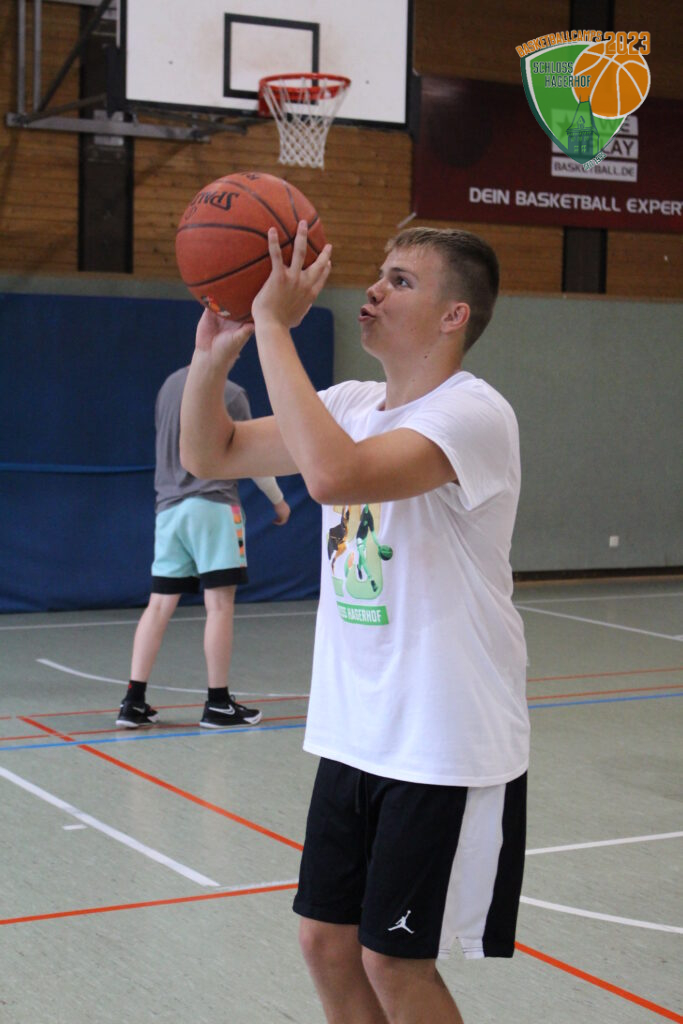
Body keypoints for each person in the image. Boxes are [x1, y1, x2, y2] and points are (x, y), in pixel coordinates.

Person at [179, 223, 530, 1024]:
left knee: (394, 962)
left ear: (454, 316)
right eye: (379, 273)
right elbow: (211, 454)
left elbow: (335, 477)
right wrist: (216, 356)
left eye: (401, 281)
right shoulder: (348, 405)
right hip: (354, 731)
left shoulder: (474, 412)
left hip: (442, 740)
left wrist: (273, 325)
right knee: (325, 943)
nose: (373, 289)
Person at [116, 361, 290, 730]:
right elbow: (253, 456)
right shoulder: (231, 393)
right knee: (219, 605)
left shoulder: (168, 387)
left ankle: (132, 702)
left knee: (158, 605)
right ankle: (218, 704)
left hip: (169, 511)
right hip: (213, 507)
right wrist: (278, 500)